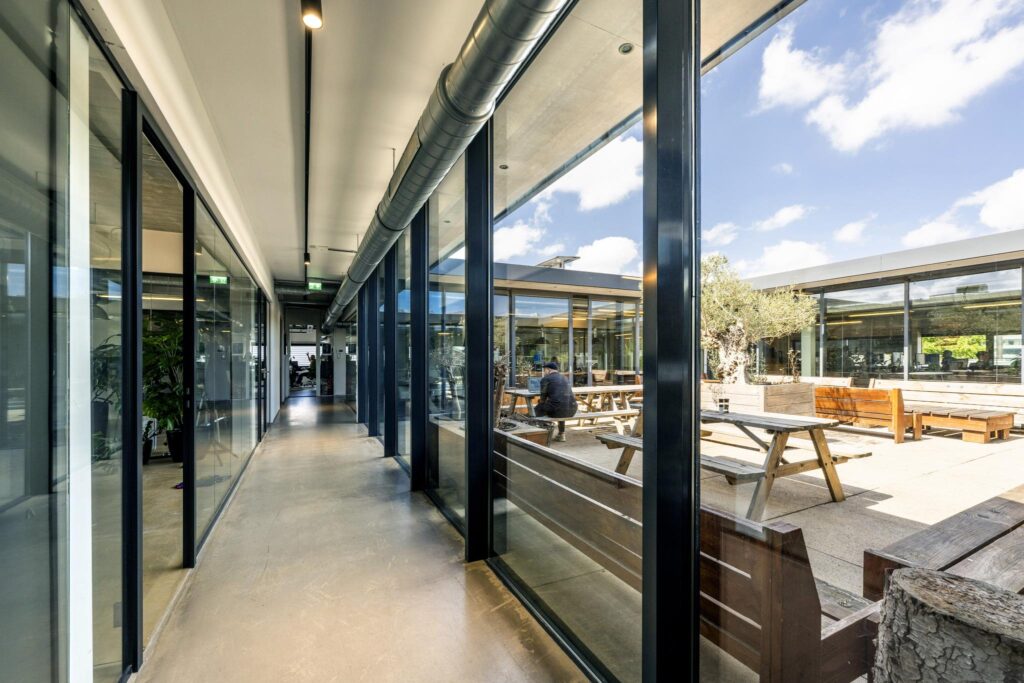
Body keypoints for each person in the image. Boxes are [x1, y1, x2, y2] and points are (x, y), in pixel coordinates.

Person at [535, 361, 577, 442]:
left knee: (538, 409)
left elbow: (543, 398)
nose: (544, 372)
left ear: (548, 370)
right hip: (572, 409)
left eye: (545, 370)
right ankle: (561, 434)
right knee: (560, 404)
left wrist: (541, 402)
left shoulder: (546, 379)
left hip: (557, 411)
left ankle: (537, 435)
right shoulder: (565, 377)